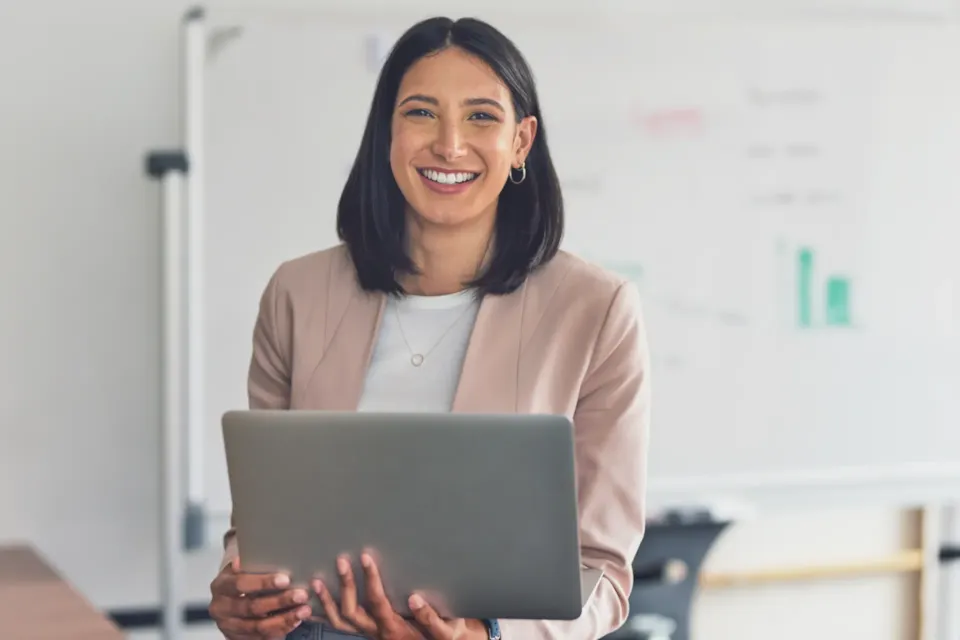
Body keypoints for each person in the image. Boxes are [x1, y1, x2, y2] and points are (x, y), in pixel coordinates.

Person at [207, 15, 650, 640]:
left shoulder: (596, 309)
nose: (448, 145)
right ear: (386, 132)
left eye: (480, 117)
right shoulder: (296, 294)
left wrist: (487, 634)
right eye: (420, 113)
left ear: (521, 141)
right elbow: (261, 524)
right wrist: (241, 593)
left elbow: (602, 572)